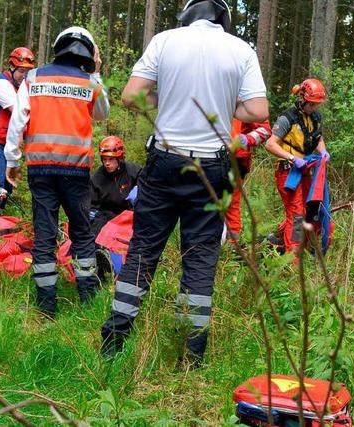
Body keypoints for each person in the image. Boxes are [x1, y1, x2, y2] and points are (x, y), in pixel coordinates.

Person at [100, 0, 268, 366]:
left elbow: (130, 95)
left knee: (143, 249)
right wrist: (224, 108)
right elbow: (258, 111)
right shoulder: (241, 50)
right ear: (223, 17)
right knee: (201, 257)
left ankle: (113, 342)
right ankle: (190, 356)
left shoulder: (164, 40)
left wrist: (168, 99)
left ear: (188, 15)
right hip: (212, 166)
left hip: (164, 160)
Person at [5, 26, 110, 317]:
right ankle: (88, 299)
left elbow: (17, 122)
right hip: (75, 171)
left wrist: (12, 162)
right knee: (82, 233)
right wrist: (97, 72)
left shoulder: (34, 77)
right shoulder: (89, 81)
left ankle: (46, 306)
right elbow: (102, 113)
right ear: (89, 52)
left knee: (44, 235)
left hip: (40, 170)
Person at [264, 78, 329, 254]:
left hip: (305, 171)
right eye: (313, 104)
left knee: (309, 209)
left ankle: (277, 239)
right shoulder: (287, 118)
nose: (315, 107)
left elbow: (318, 139)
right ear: (303, 98)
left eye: (317, 104)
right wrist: (292, 157)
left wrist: (323, 152)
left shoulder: (315, 117)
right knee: (297, 214)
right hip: (287, 171)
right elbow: (270, 144)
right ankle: (293, 259)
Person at [0, 47, 35, 214]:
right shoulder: (1, 84)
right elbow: (20, 112)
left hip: (8, 146)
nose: (24, 75)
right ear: (11, 67)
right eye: (20, 71)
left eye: (27, 71)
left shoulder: (22, 88)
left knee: (6, 189)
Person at [224, 119, 271, 243]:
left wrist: (245, 139)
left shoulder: (247, 101)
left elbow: (265, 130)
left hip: (236, 160)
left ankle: (232, 248)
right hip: (208, 156)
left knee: (231, 204)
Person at [90, 136, 142, 236]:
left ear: (119, 158)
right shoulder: (97, 178)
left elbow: (147, 183)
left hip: (129, 215)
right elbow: (92, 205)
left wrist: (139, 189)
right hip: (106, 217)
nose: (107, 163)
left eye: (111, 159)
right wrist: (91, 212)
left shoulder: (133, 170)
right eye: (104, 159)